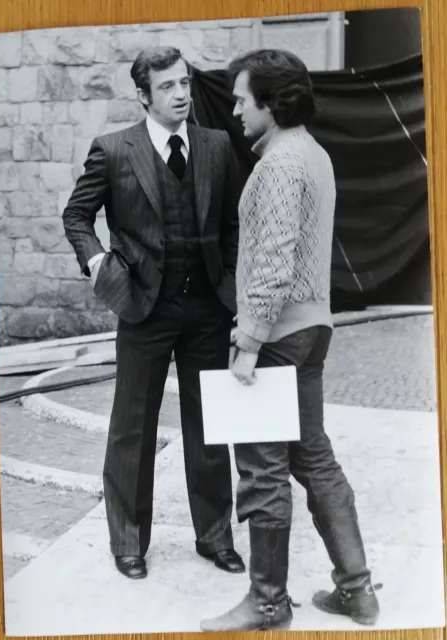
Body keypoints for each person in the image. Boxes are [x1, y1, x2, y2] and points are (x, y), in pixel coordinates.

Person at [200, 48, 380, 632]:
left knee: (262, 470)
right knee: (313, 456)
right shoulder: (314, 154)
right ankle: (357, 591)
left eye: (242, 98)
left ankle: (268, 603)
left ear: (271, 104)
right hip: (312, 328)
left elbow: (274, 261)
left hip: (277, 334)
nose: (235, 108)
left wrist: (247, 342)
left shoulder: (279, 164)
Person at [62, 46, 245, 581]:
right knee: (131, 429)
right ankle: (129, 542)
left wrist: (230, 286)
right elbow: (77, 214)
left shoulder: (215, 146)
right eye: (167, 87)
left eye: (184, 83)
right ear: (143, 95)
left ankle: (214, 537)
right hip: (143, 307)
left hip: (207, 307)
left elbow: (232, 225)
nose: (182, 94)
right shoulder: (115, 150)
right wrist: (98, 262)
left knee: (209, 424)